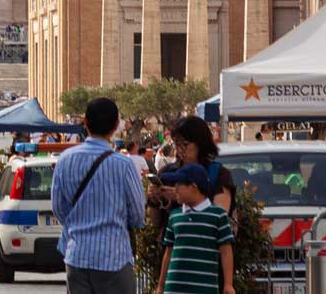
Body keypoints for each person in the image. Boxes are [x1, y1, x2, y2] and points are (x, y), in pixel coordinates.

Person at [52, 97, 148, 294]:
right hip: (114, 258)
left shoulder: (65, 160)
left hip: (77, 256)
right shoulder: (124, 165)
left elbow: (59, 208)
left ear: (85, 122)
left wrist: (78, 223)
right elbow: (138, 216)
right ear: (115, 125)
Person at [154, 164, 232, 294]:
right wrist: (161, 286)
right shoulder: (175, 216)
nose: (175, 189)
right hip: (174, 288)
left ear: (194, 187)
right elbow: (168, 252)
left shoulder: (218, 215)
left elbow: (226, 251)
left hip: (205, 288)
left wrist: (228, 284)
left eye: (179, 184)